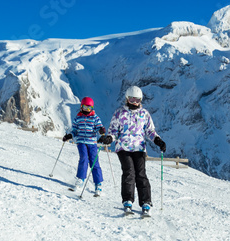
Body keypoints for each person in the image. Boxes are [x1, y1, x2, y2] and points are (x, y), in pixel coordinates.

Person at [105, 87, 167, 216]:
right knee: (129, 172)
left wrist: (157, 140)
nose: (134, 102)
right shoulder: (119, 113)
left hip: (139, 148)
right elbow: (114, 130)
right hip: (123, 147)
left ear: (140, 100)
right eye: (131, 99)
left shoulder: (144, 114)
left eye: (137, 99)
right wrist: (110, 137)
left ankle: (146, 202)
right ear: (127, 98)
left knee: (141, 173)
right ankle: (127, 200)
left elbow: (150, 131)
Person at [62, 96, 106, 196]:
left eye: (89, 108)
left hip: (92, 143)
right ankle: (80, 179)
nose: (87, 110)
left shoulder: (95, 117)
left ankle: (98, 183)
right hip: (81, 141)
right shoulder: (78, 118)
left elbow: (99, 127)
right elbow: (74, 130)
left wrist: (101, 130)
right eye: (85, 108)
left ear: (92, 108)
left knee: (94, 161)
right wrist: (69, 135)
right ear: (81, 107)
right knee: (83, 158)